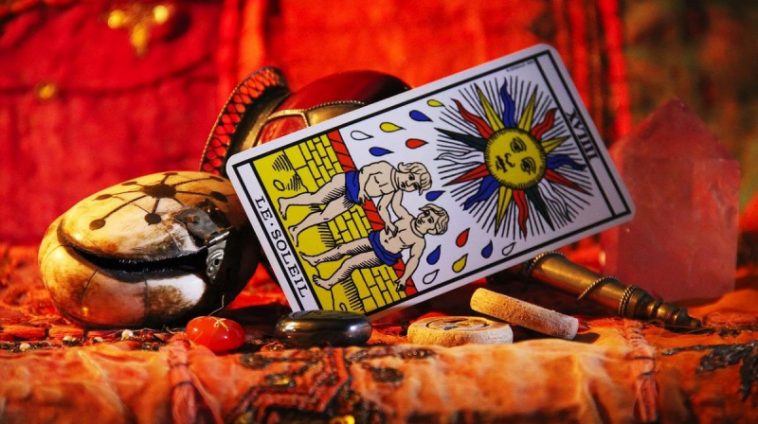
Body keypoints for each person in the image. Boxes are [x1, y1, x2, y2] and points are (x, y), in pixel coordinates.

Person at [302, 194, 448, 291]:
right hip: (375, 239)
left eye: (430, 220)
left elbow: (414, 259)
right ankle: (316, 260)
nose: (424, 218)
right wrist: (396, 188)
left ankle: (329, 283)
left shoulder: (419, 241)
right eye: (426, 213)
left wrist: (404, 278)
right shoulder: (407, 218)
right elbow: (396, 205)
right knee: (342, 248)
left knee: (351, 263)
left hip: (382, 254)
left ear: (433, 230)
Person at [278, 161, 432, 244]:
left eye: (414, 186)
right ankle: (286, 202)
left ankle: (296, 229)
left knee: (325, 216)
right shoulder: (386, 168)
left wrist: (388, 223)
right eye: (411, 177)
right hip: (347, 182)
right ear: (406, 169)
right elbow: (366, 171)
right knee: (317, 199)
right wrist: (362, 190)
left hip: (352, 199)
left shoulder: (393, 191)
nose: (409, 183)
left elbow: (382, 207)